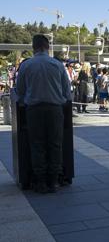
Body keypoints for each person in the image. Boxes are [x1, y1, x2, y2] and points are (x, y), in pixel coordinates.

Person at [16, 35, 71, 193]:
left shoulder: (26, 66)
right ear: (48, 47)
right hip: (55, 109)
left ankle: (40, 181)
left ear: (33, 47)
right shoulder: (58, 65)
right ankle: (53, 181)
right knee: (55, 144)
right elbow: (67, 92)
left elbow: (20, 91)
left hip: (34, 110)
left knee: (37, 145)